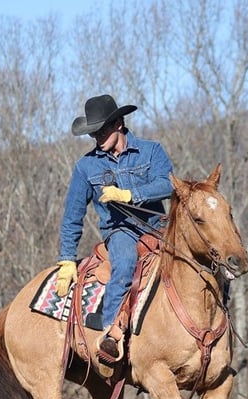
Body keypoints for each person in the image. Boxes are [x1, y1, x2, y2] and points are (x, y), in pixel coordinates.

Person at [55, 94, 174, 365]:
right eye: (92, 132)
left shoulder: (151, 150)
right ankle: (111, 335)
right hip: (120, 232)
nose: (97, 136)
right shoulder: (86, 167)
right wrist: (66, 259)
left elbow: (168, 184)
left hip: (159, 228)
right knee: (124, 264)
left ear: (119, 123)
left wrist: (129, 194)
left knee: (198, 256)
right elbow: (73, 215)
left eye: (102, 129)